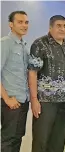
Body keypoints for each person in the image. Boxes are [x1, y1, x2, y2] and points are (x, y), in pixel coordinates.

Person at [28, 15, 65, 152]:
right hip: (45, 102)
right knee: (41, 140)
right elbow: (32, 73)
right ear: (50, 27)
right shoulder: (40, 44)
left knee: (58, 141)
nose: (62, 29)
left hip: (63, 102)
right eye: (59, 26)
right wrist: (34, 100)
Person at [1, 10, 29, 152]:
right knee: (8, 139)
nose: (24, 25)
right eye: (20, 22)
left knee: (18, 137)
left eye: (26, 22)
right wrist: (6, 99)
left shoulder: (24, 45)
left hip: (23, 100)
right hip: (11, 101)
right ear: (10, 25)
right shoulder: (5, 43)